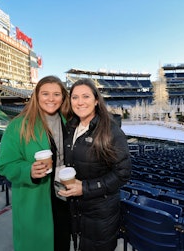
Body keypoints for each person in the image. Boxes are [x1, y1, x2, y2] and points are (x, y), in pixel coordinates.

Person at [0, 75, 71, 251]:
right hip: (34, 200)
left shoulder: (68, 122)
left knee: (62, 244)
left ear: (63, 97)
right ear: (36, 96)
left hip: (63, 197)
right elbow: (5, 165)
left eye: (56, 94)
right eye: (45, 94)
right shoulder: (18, 126)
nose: (51, 99)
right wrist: (28, 170)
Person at [58, 78, 131, 251]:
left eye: (86, 96)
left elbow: (123, 173)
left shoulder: (111, 131)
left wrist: (85, 188)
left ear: (96, 100)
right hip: (77, 209)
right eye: (75, 97)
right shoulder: (71, 127)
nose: (80, 102)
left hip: (101, 214)